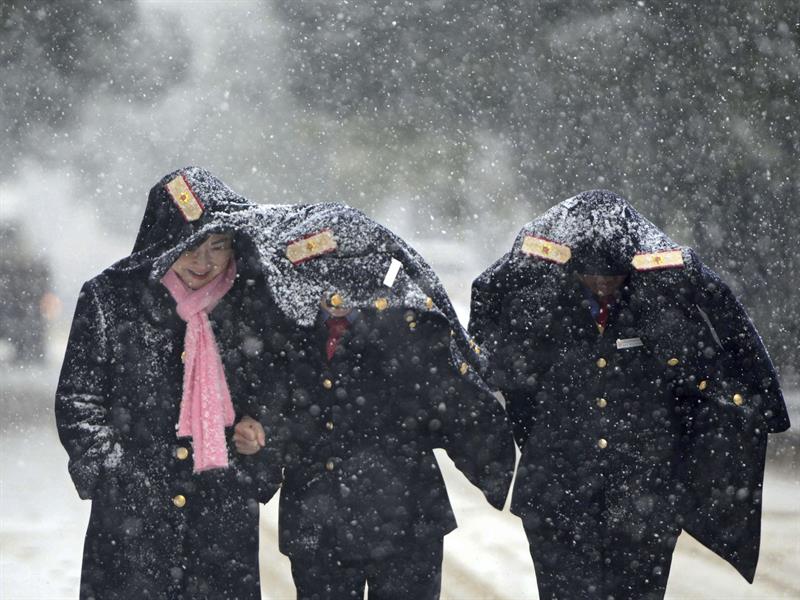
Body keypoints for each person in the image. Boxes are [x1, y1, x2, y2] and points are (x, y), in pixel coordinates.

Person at [468, 190, 790, 600]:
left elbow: (709, 374)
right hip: (558, 496)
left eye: (613, 276)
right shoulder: (539, 309)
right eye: (592, 276)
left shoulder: (664, 307)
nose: (602, 285)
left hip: (646, 497)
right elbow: (509, 381)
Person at [236, 202, 515, 600]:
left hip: (406, 523)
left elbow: (456, 405)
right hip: (317, 528)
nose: (336, 293)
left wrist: (498, 466)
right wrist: (259, 448)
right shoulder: (283, 334)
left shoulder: (408, 330)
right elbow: (270, 415)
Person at [55, 167, 289, 599]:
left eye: (218, 246)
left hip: (221, 513)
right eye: (191, 246)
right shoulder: (111, 298)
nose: (205, 263)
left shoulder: (249, 303)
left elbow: (277, 390)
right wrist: (116, 474)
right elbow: (78, 400)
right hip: (132, 520)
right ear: (164, 242)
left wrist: (260, 435)